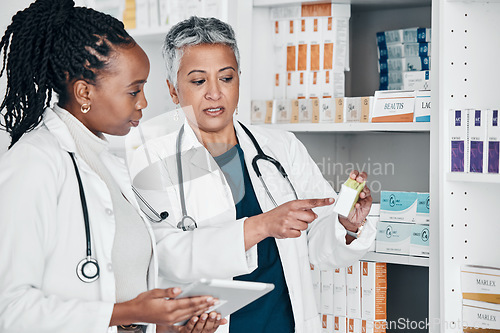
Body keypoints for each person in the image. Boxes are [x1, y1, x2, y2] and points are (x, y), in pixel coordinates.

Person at [128, 16, 376, 333]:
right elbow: (161, 255)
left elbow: (319, 245)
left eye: (226, 78)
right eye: (198, 81)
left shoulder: (280, 147)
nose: (215, 93)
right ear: (173, 91)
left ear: (239, 81)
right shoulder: (149, 155)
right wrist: (260, 225)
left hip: (285, 324)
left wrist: (346, 223)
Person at [0, 2, 227, 333]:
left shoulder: (107, 162)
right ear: (84, 92)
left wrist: (163, 326)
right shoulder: (34, 163)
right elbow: (10, 310)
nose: (144, 103)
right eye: (134, 90)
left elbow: (118, 288)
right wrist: (124, 312)